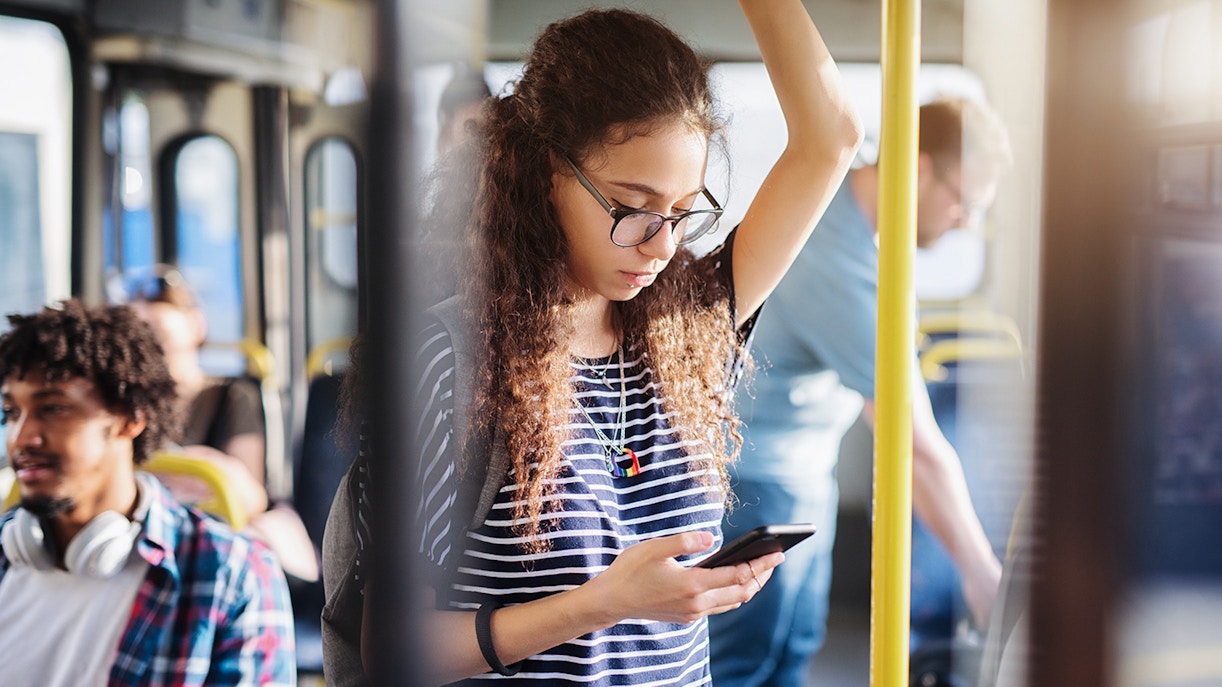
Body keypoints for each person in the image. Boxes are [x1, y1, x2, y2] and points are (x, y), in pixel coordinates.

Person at [329, 2, 864, 685]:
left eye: (680, 211)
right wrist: (604, 603)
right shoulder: (451, 359)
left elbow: (831, 137)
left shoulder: (688, 328)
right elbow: (393, 651)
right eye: (632, 206)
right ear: (547, 172)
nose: (663, 245)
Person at [707, 98, 1014, 686]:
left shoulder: (859, 230)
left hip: (796, 477)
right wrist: (982, 576)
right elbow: (914, 443)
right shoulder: (836, 255)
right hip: (755, 483)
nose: (967, 220)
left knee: (787, 658)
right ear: (919, 168)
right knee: (746, 668)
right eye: (965, 201)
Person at [0, 299, 295, 686]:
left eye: (53, 409)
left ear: (130, 418)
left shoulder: (230, 575)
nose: (21, 438)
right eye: (11, 413)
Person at [127, 267, 319, 582]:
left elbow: (250, 495)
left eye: (158, 330)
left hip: (216, 530)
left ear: (196, 327)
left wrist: (195, 467)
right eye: (139, 332)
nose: (149, 343)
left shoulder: (230, 397)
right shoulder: (129, 408)